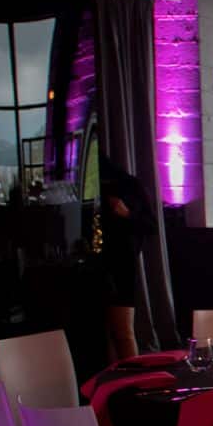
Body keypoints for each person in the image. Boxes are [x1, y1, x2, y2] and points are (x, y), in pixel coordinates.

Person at [91, 146, 151, 361]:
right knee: (99, 337)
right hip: (89, 266)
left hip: (120, 265)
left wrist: (127, 214)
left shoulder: (128, 185)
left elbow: (150, 226)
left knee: (123, 333)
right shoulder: (83, 190)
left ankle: (132, 384)